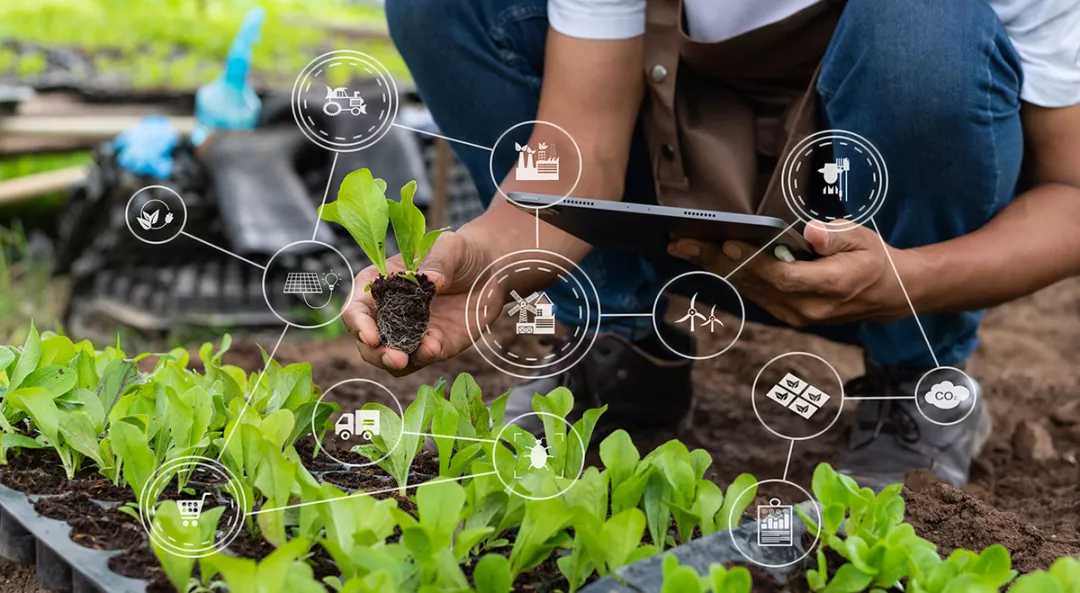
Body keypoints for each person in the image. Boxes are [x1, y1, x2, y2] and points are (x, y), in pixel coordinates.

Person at [345, 0, 1080, 489]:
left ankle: (913, 378)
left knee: (920, 36)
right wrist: (485, 256)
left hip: (898, 230)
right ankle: (626, 339)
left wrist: (912, 281)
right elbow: (578, 149)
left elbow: (1072, 194)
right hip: (695, 188)